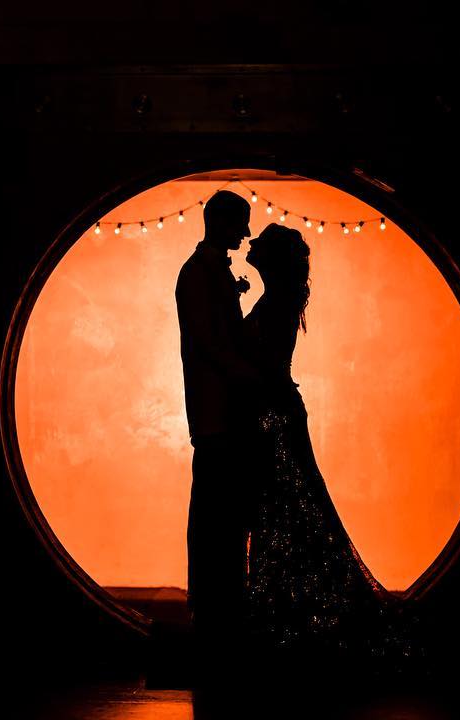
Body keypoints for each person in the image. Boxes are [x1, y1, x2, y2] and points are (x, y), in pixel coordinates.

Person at [241, 223, 419, 681]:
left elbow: (261, 362)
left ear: (274, 258)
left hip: (274, 417)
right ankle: (286, 617)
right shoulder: (277, 296)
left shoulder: (277, 300)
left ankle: (288, 620)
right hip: (275, 413)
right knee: (286, 512)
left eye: (260, 241)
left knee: (288, 511)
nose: (251, 244)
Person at [174, 190, 265, 682]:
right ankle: (214, 611)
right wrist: (249, 375)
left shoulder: (207, 272)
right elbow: (208, 344)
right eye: (240, 225)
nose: (245, 236)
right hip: (216, 417)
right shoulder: (197, 275)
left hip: (223, 415)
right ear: (221, 222)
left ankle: (220, 609)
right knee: (215, 519)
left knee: (224, 518)